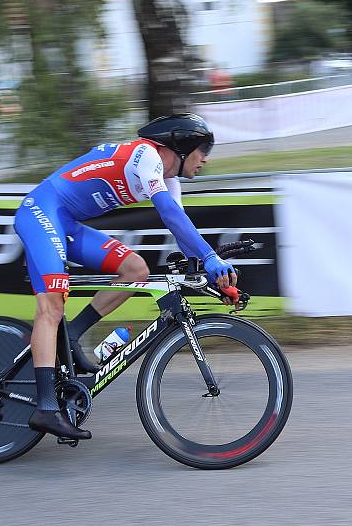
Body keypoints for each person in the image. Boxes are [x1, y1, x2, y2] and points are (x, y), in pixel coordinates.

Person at [14, 113, 237, 440]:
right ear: (182, 147)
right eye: (203, 149)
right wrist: (210, 257)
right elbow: (170, 214)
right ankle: (46, 408)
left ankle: (72, 334)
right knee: (51, 308)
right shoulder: (145, 156)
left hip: (67, 224)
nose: (205, 158)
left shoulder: (168, 178)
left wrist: (202, 270)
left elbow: (180, 228)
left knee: (136, 270)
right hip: (41, 213)